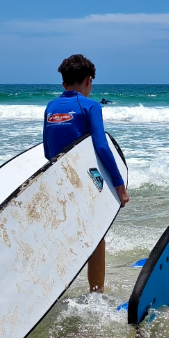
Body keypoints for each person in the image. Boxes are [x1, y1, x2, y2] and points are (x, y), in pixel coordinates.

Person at [43, 54, 129, 292]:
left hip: (56, 182)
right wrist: (119, 184)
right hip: (83, 183)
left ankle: (51, 290)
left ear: (64, 84)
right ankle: (96, 294)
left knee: (65, 234)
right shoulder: (91, 106)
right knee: (96, 236)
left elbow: (47, 150)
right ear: (89, 80)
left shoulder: (50, 107)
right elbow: (101, 146)